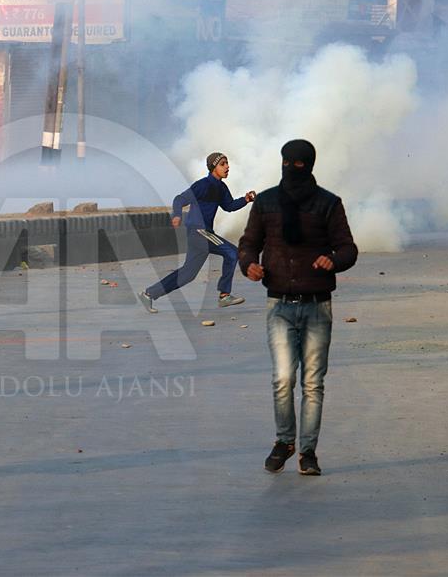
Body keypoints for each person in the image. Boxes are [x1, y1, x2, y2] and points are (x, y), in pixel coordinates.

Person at [238, 140, 358, 476]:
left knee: (312, 383)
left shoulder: (328, 204)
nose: (292, 168)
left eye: (298, 164)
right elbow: (249, 243)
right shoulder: (266, 202)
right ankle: (284, 441)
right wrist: (248, 264)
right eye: (287, 162)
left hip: (318, 306)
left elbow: (348, 248)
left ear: (309, 165)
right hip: (279, 305)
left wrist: (332, 260)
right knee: (282, 378)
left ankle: (307, 452)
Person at [139, 152, 255, 313]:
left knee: (188, 274)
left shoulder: (221, 188)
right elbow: (179, 199)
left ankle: (148, 294)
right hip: (198, 231)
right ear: (213, 167)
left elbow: (229, 206)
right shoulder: (202, 185)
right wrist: (177, 215)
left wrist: (246, 199)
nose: (227, 167)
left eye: (227, 163)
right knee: (232, 253)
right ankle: (224, 295)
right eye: (223, 164)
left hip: (203, 233)